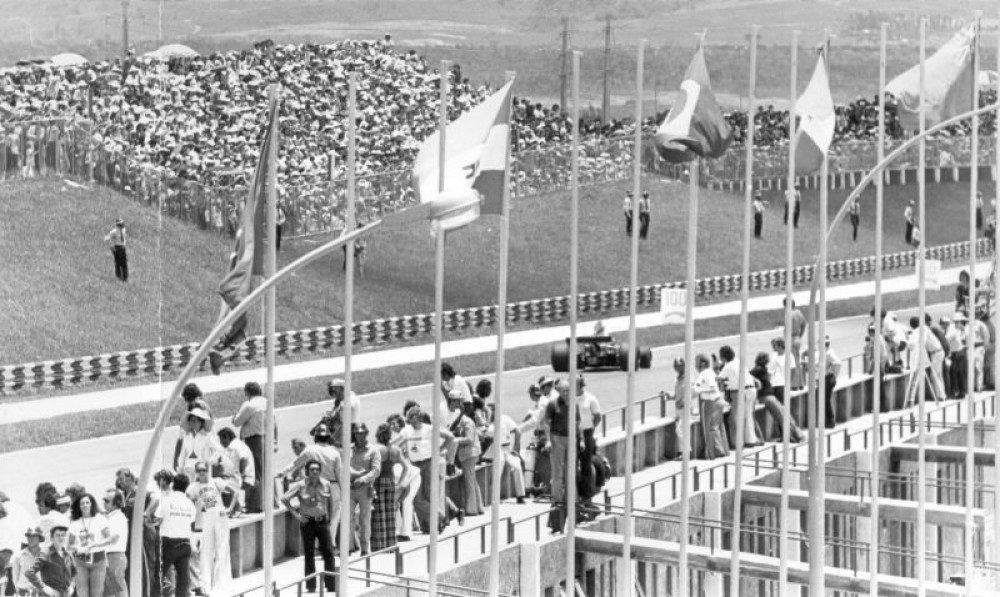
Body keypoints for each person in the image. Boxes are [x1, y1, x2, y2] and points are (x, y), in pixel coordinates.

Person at [393, 406, 457, 534]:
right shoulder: (406, 431)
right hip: (414, 465)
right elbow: (395, 444)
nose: (409, 421)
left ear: (418, 417)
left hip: (428, 463)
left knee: (428, 496)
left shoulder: (429, 429)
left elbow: (450, 437)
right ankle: (441, 518)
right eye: (409, 418)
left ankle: (431, 526)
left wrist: (438, 450)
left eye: (411, 417)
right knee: (417, 498)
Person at [281, 461, 336, 594]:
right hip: (308, 523)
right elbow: (284, 498)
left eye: (317, 469)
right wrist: (297, 515)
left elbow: (331, 502)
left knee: (328, 552)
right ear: (307, 472)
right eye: (312, 470)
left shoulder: (326, 484)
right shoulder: (301, 485)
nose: (315, 472)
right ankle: (311, 585)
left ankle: (331, 584)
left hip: (322, 522)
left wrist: (329, 518)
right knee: (309, 554)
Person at [186, 462, 233, 594]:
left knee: (222, 549)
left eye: (204, 470)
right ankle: (207, 583)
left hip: (219, 516)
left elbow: (234, 492)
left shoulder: (216, 482)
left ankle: (222, 583)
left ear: (208, 470)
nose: (202, 472)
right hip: (205, 519)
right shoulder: (193, 487)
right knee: (206, 552)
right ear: (196, 472)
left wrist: (229, 508)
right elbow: (188, 502)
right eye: (199, 470)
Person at [154, 474, 196, 597]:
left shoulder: (167, 500)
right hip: (185, 544)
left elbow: (158, 519)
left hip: (168, 544)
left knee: (160, 576)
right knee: (183, 581)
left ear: (173, 484)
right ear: (186, 487)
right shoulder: (190, 504)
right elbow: (191, 523)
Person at [749, 352, 804, 443]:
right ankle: (796, 435)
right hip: (767, 397)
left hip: (768, 396)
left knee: (783, 416)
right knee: (783, 416)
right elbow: (748, 375)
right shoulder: (759, 369)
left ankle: (794, 435)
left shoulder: (761, 369)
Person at [232, 382, 270, 513]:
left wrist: (234, 417)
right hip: (266, 437)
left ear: (247, 392)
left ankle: (255, 504)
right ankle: (266, 502)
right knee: (264, 470)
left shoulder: (249, 404)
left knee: (253, 472)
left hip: (253, 439)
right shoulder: (267, 402)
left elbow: (237, 422)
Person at [446, 392, 484, 518]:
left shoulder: (467, 422)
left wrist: (456, 440)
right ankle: (478, 506)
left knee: (469, 480)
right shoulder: (463, 422)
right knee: (472, 480)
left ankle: (472, 509)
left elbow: (469, 439)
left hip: (470, 453)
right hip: (468, 453)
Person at [66, 494, 111, 597]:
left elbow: (109, 539)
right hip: (80, 561)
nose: (85, 505)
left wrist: (97, 544)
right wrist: (78, 548)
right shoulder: (75, 523)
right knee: (82, 594)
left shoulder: (100, 519)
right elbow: (69, 546)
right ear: (79, 506)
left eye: (87, 502)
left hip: (99, 560)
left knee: (97, 593)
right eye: (82, 503)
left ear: (92, 504)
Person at [717, 345, 761, 448]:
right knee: (748, 416)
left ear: (723, 357)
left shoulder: (727, 367)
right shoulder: (739, 362)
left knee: (734, 419)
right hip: (751, 390)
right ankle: (750, 440)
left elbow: (719, 381)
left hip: (741, 392)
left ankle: (737, 443)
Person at [346, 423, 380, 555]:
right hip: (350, 487)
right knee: (347, 518)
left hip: (365, 488)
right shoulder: (349, 449)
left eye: (361, 433)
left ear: (366, 433)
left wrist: (363, 479)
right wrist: (355, 475)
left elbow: (376, 470)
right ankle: (348, 547)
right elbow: (344, 466)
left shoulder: (373, 450)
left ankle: (365, 549)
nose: (359, 435)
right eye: (356, 433)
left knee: (364, 519)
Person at [542, 382, 571, 533]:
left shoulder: (573, 403)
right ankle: (558, 503)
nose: (566, 393)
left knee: (570, 476)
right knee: (558, 476)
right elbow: (546, 424)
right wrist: (548, 440)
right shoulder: (552, 404)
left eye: (568, 390)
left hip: (570, 440)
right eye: (563, 390)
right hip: (557, 439)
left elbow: (578, 423)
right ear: (559, 391)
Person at [371, 424, 402, 551]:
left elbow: (374, 469)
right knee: (390, 513)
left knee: (379, 513)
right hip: (391, 481)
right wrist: (400, 484)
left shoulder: (377, 449)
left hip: (378, 481)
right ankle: (391, 544)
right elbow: (405, 467)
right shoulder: (395, 449)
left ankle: (380, 545)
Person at [693, 353, 729, 459]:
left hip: (710, 402)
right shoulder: (711, 372)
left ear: (702, 364)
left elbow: (711, 387)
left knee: (709, 428)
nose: (695, 366)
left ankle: (713, 453)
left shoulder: (703, 373)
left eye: (696, 363)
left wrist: (698, 389)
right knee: (719, 427)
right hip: (718, 401)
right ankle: (724, 450)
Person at [573, 376, 602, 507]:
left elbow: (597, 417)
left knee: (586, 464)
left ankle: (587, 496)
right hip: (573, 434)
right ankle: (575, 494)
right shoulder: (569, 399)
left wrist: (590, 430)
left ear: (581, 385)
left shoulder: (590, 398)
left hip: (586, 432)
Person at [25, 525, 75, 597]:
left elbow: (74, 571)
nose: (61, 538)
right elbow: (29, 573)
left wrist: (72, 586)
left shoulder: (68, 554)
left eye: (63, 535)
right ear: (52, 538)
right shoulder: (45, 553)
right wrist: (44, 587)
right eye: (58, 535)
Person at [173, 409, 221, 480]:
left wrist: (209, 462)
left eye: (195, 420)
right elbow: (184, 454)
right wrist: (181, 468)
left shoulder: (207, 436)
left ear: (201, 422)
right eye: (191, 420)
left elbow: (218, 450)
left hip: (203, 470)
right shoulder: (187, 436)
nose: (193, 423)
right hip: (188, 470)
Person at [217, 427, 255, 514]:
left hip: (245, 479)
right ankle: (234, 508)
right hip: (242, 478)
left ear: (227, 437)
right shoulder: (235, 445)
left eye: (221, 440)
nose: (220, 443)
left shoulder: (236, 445)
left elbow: (244, 459)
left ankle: (236, 509)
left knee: (219, 484)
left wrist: (240, 474)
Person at [101, 490, 128, 597]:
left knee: (117, 589)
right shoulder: (111, 517)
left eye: (107, 501)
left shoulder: (117, 517)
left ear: (116, 503)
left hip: (115, 556)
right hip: (110, 556)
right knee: (111, 590)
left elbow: (113, 538)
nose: (104, 503)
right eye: (104, 500)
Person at [11, 527, 44, 596]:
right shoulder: (19, 556)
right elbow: (15, 578)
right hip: (23, 593)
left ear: (39, 538)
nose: (30, 538)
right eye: (28, 536)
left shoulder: (45, 556)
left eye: (34, 536)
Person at [947, 313, 970, 398]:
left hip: (958, 353)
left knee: (958, 374)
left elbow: (948, 339)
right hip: (957, 353)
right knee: (957, 374)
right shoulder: (955, 329)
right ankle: (959, 392)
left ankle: (959, 392)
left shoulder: (955, 330)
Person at [104, 218, 128, 283]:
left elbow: (107, 238)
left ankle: (121, 277)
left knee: (120, 263)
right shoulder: (119, 231)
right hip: (120, 248)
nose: (121, 226)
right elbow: (107, 238)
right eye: (121, 224)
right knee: (121, 263)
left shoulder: (118, 231)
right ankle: (122, 278)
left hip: (119, 248)